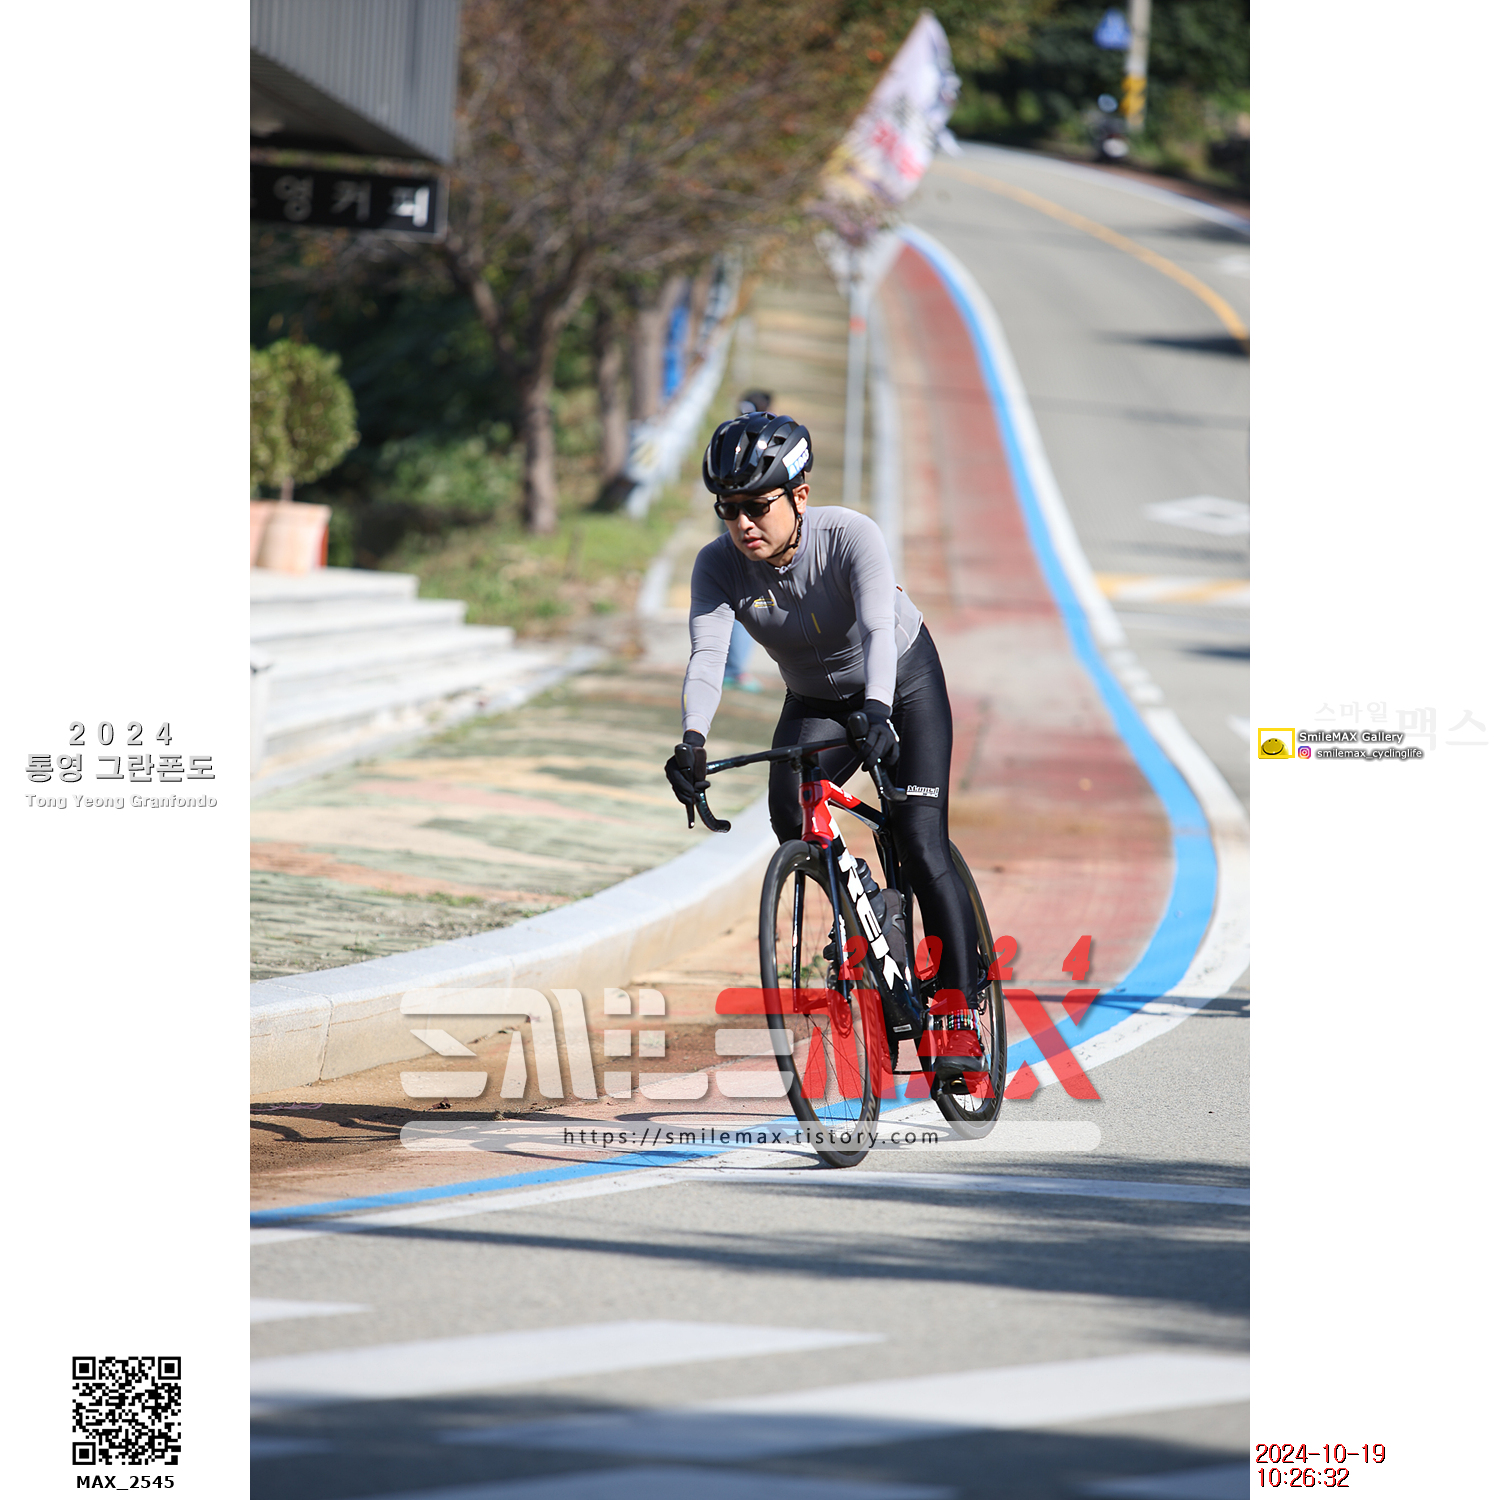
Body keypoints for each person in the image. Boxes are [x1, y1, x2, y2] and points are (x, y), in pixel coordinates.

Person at [663, 411, 982, 1081]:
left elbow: (876, 630)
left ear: (799, 495)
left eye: (757, 506)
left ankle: (956, 1005)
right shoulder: (718, 566)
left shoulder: (850, 536)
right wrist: (692, 741)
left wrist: (878, 709)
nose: (743, 524)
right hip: (814, 701)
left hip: (900, 682)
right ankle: (868, 916)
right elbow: (706, 657)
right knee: (791, 813)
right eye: (729, 510)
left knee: (919, 837)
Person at [720, 389, 777, 692]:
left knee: (737, 601)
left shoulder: (728, 441)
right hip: (753, 543)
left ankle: (732, 667)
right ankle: (736, 669)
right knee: (748, 602)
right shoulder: (765, 443)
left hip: (731, 536)